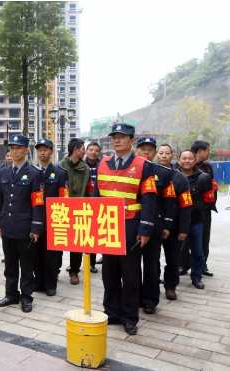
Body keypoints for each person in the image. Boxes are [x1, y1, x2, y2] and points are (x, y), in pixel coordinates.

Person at [94, 123, 156, 335]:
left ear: (132, 140)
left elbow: (149, 198)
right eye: (114, 137)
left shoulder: (144, 165)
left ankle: (129, 317)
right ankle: (111, 313)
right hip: (107, 228)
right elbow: (96, 198)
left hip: (131, 228)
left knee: (130, 275)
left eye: (122, 137)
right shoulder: (102, 164)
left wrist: (145, 228)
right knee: (109, 273)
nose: (117, 140)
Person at [0, 134, 43, 313]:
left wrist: (36, 227)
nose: (14, 152)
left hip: (25, 227)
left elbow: (38, 202)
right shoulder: (5, 172)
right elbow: (0, 198)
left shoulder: (35, 174)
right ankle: (11, 294)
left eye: (18, 148)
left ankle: (26, 297)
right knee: (10, 263)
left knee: (27, 264)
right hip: (7, 225)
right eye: (11, 148)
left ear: (26, 150)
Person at [135, 137, 176, 314]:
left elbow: (169, 201)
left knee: (152, 264)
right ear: (136, 150)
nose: (146, 152)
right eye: (142, 149)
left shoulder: (164, 173)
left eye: (150, 149)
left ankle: (150, 299)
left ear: (154, 153)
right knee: (132, 264)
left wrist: (167, 224)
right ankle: (135, 296)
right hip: (133, 223)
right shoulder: (129, 171)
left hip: (155, 224)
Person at [32, 139, 68, 297]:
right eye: (39, 150)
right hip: (34, 220)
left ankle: (50, 284)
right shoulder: (32, 172)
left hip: (52, 220)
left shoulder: (60, 173)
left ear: (52, 152)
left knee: (51, 255)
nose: (42, 152)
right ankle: (38, 282)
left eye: (46, 149)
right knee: (36, 253)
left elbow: (64, 199)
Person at [156, 144, 192, 300]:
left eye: (167, 153)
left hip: (174, 226)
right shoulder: (149, 174)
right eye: (161, 153)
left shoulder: (180, 178)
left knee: (173, 258)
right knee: (152, 259)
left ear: (172, 156)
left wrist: (184, 229)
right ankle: (152, 284)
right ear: (156, 155)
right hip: (154, 225)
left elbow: (186, 204)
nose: (164, 156)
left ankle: (171, 286)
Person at [179, 140, 218, 277]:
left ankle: (202, 266)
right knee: (184, 241)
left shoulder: (207, 168)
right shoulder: (176, 172)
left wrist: (206, 205)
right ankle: (183, 264)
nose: (209, 152)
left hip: (203, 210)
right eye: (208, 150)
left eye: (190, 158)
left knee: (203, 239)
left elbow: (211, 188)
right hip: (183, 212)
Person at [59, 138, 94, 284]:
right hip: (61, 209)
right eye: (83, 148)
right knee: (58, 241)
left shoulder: (85, 169)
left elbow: (89, 190)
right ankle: (55, 269)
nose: (84, 151)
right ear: (75, 150)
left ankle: (74, 271)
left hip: (79, 209)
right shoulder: (60, 167)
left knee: (77, 243)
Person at [85, 141, 101, 267]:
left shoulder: (103, 165)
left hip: (98, 202)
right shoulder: (81, 165)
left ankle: (92, 263)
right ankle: (80, 262)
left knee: (95, 234)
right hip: (84, 203)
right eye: (91, 150)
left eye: (96, 150)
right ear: (86, 151)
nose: (93, 152)